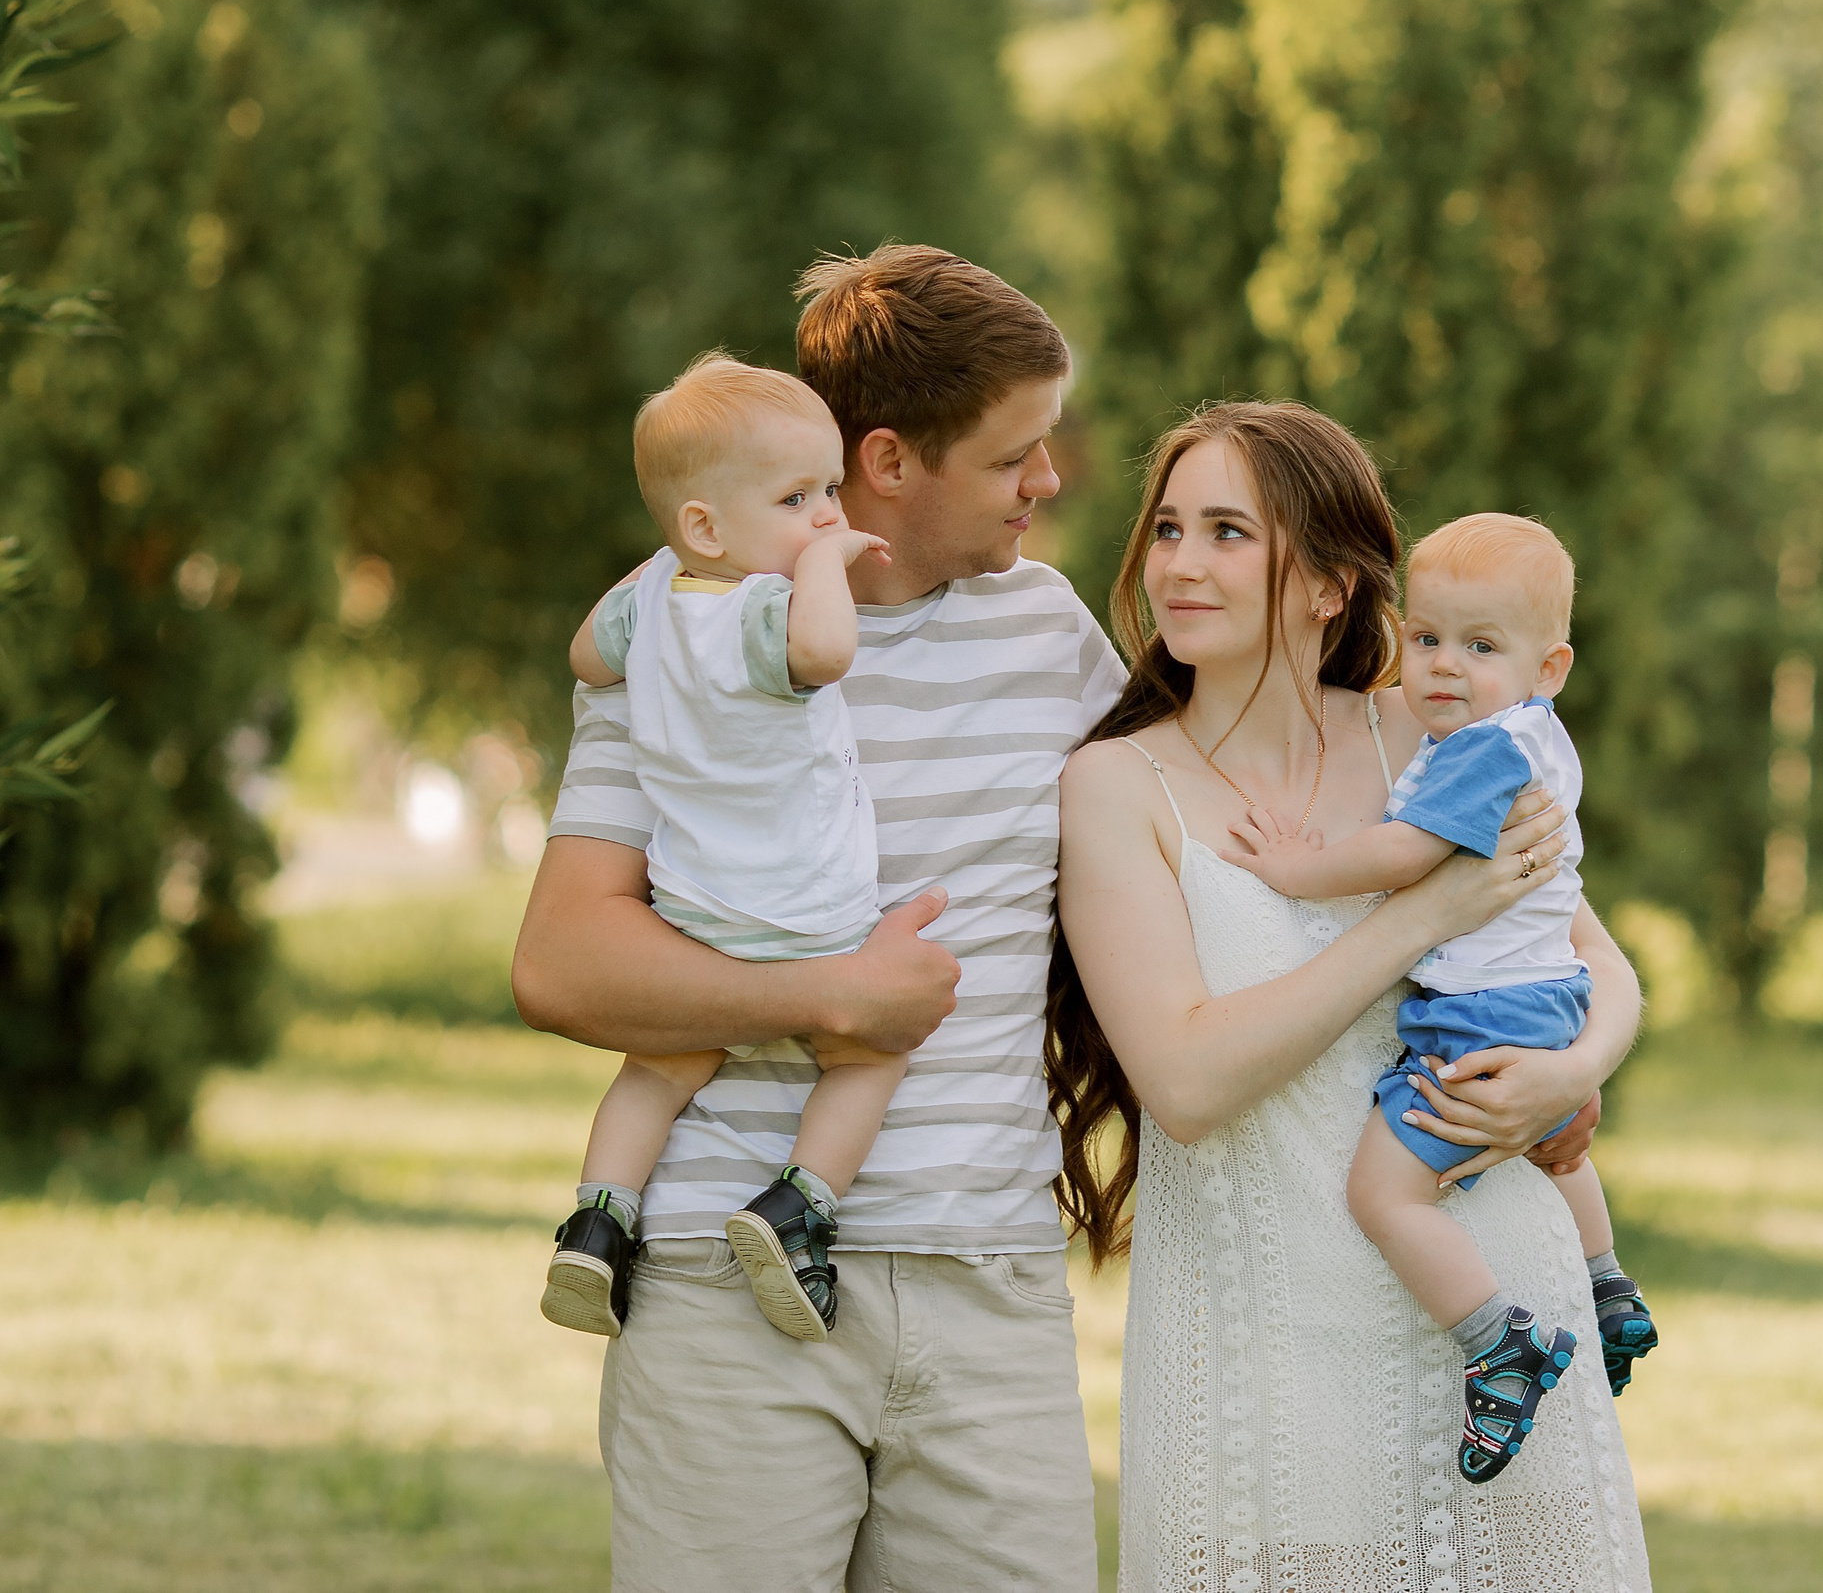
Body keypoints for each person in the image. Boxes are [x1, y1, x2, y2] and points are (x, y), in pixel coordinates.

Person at [513, 245, 1126, 1592]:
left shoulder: (1052, 634)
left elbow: (1209, 860)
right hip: (721, 1292)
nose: (1050, 479)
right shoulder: (682, 638)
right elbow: (560, 960)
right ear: (889, 463)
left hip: (988, 1283)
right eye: (1014, 453)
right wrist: (831, 1000)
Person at [1051, 402, 1651, 1593]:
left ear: (1329, 584)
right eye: (1167, 527)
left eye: (1228, 531)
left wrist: (1575, 1073)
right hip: (1264, 1362)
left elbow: (1599, 960)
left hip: (1494, 1324)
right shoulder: (1116, 786)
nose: (1177, 562)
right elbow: (1185, 1083)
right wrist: (1421, 919)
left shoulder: (1425, 730)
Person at [1218, 513, 1659, 1482]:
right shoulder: (1532, 737)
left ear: (1550, 668)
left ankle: (1500, 1344)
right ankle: (1604, 1279)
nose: (1444, 668)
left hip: (1481, 1013)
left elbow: (1406, 853)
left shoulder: (1482, 752)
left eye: (1480, 646)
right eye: (1426, 640)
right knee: (1546, 1143)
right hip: (1545, 993)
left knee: (1387, 1192)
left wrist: (1301, 869)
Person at [540, 354, 904, 1347]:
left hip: (695, 909)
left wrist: (656, 573)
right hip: (809, 910)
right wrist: (826, 566)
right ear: (708, 525)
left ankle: (598, 1220)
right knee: (872, 1052)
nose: (827, 515)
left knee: (656, 1072)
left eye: (830, 491)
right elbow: (827, 654)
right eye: (798, 498)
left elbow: (585, 656)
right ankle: (797, 1206)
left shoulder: (653, 598)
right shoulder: (765, 611)